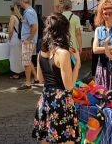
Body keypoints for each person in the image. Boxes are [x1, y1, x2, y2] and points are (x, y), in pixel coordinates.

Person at [32, 13, 81, 143]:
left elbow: (39, 78)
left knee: (46, 139)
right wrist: (77, 65)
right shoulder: (63, 53)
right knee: (66, 139)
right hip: (61, 102)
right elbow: (69, 86)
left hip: (45, 99)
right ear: (63, 30)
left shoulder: (41, 52)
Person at [17, 0, 39, 90]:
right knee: (28, 60)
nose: (19, 3)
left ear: (22, 1)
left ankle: (28, 83)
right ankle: (34, 79)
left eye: (20, 1)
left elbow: (34, 26)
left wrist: (29, 39)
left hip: (28, 41)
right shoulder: (29, 11)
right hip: (29, 40)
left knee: (26, 62)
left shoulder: (29, 12)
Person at [8, 5, 24, 79]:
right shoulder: (20, 17)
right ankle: (20, 72)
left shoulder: (12, 17)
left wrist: (9, 38)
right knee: (19, 56)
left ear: (12, 10)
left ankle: (16, 74)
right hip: (20, 38)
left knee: (14, 57)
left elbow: (11, 30)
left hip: (14, 38)